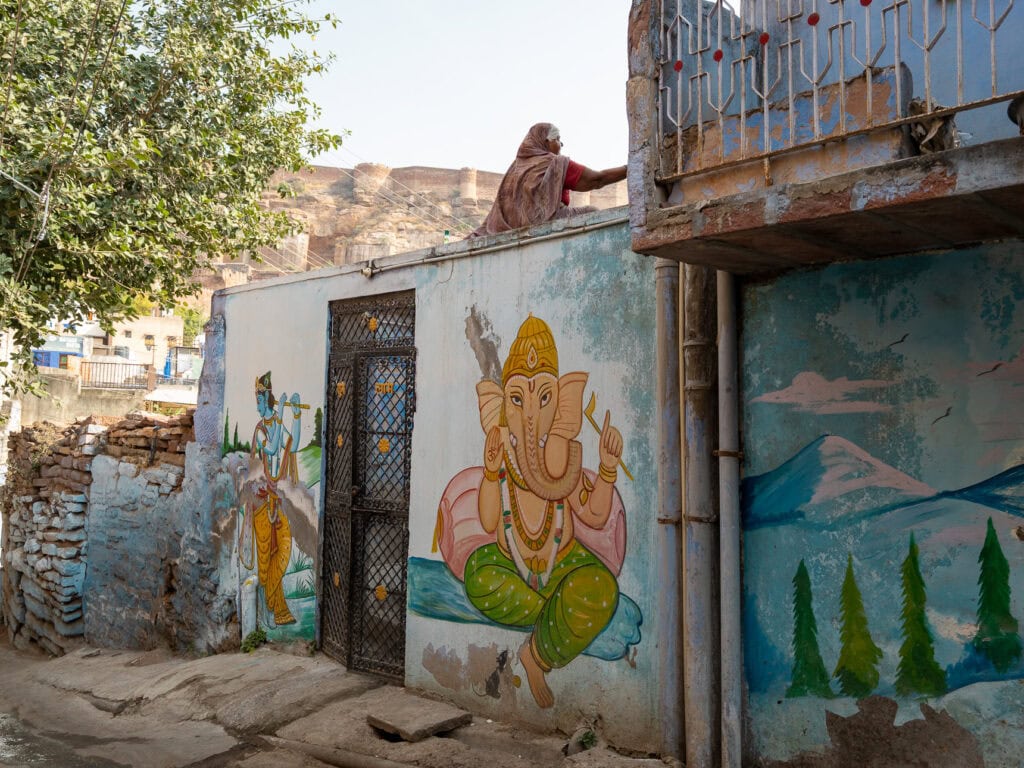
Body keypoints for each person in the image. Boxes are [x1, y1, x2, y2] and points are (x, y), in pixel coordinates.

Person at [469, 123, 627, 237]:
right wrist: (630, 168)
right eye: (558, 140)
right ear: (546, 142)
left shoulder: (514, 169)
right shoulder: (554, 163)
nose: (560, 146)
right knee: (592, 213)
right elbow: (596, 180)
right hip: (543, 223)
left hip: (510, 228)